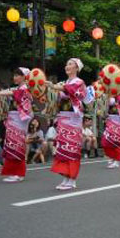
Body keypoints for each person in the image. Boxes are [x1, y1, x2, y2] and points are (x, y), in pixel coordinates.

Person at [46, 58, 87, 190]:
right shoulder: (65, 83)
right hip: (63, 118)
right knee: (63, 149)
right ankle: (66, 177)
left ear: (77, 68)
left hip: (73, 120)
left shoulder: (79, 82)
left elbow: (70, 90)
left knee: (72, 149)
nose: (67, 66)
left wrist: (54, 86)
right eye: (67, 63)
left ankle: (72, 179)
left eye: (71, 64)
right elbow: (61, 93)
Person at [0, 68, 33, 183]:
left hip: (20, 119)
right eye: (14, 75)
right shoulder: (18, 88)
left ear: (24, 77)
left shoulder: (24, 89)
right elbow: (10, 92)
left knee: (17, 145)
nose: (15, 77)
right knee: (11, 145)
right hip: (14, 118)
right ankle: (15, 172)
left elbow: (13, 93)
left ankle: (19, 173)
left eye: (17, 75)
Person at [101, 93, 120, 168]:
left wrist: (114, 100)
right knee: (105, 140)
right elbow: (106, 106)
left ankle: (116, 161)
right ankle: (112, 156)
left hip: (119, 119)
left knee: (116, 141)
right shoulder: (107, 95)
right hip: (110, 119)